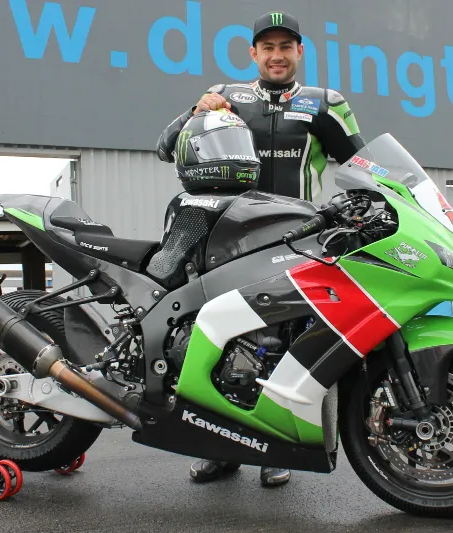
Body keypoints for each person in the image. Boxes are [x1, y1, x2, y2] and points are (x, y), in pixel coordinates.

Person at [156, 10, 367, 487]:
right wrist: (196, 110)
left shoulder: (325, 103)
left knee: (287, 342)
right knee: (216, 340)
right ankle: (216, 449)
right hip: (224, 241)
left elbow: (362, 163)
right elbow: (165, 146)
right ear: (253, 53)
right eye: (267, 47)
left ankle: (279, 450)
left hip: (297, 240)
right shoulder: (226, 97)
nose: (277, 55)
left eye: (285, 46)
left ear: (300, 52)